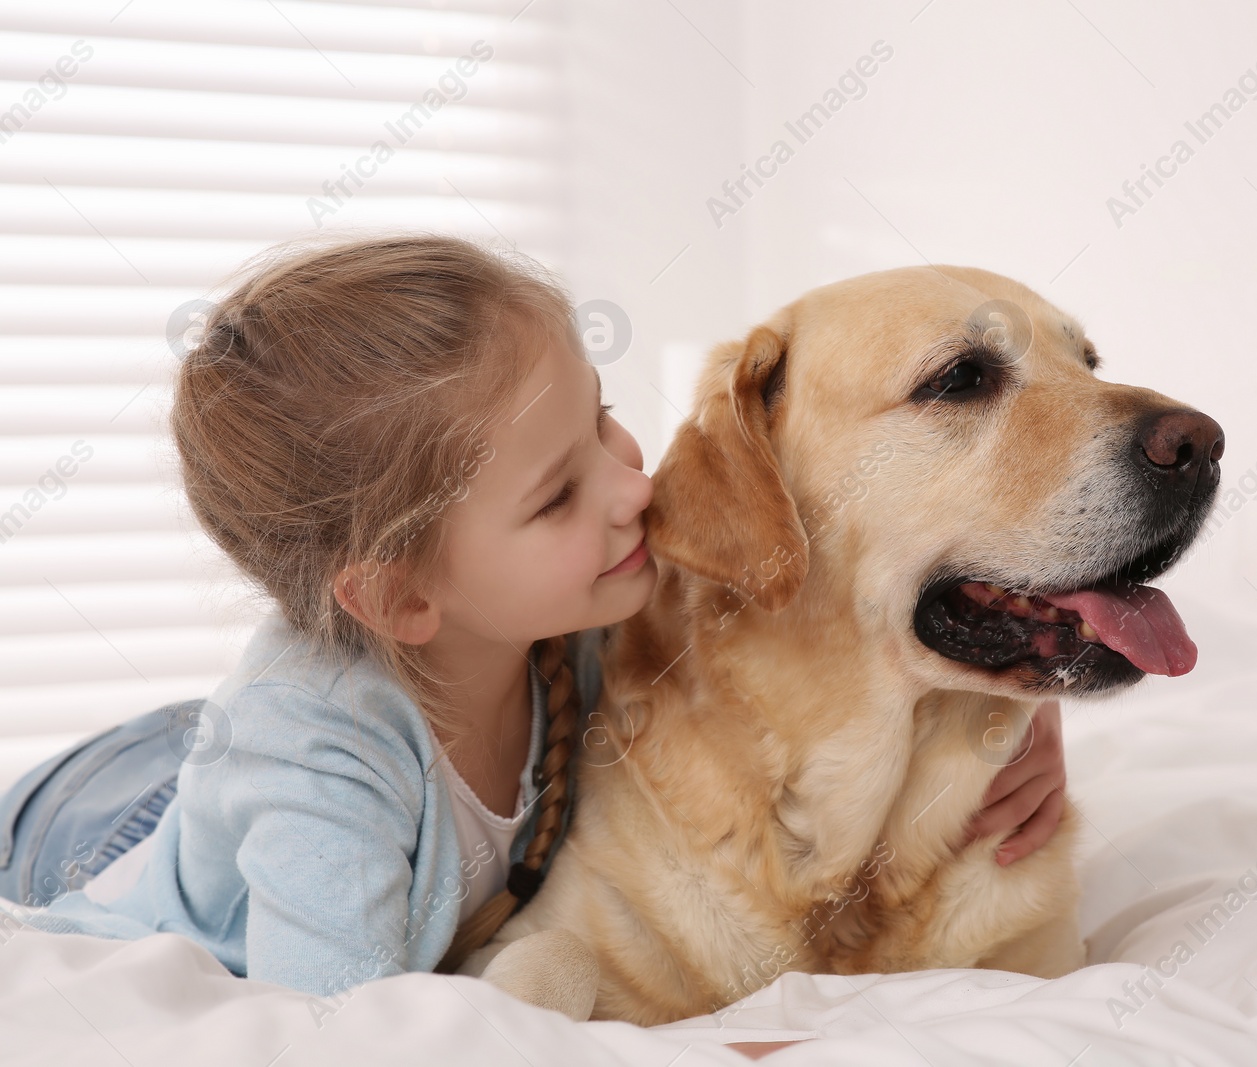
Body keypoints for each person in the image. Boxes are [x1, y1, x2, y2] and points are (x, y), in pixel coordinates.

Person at [0, 234, 1068, 1011]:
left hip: (224, 749)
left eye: (602, 416)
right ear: (404, 596)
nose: (628, 483)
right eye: (558, 494)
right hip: (114, 826)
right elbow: (341, 1025)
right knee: (185, 773)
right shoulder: (312, 770)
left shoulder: (585, 589)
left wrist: (1022, 688)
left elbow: (817, 623)